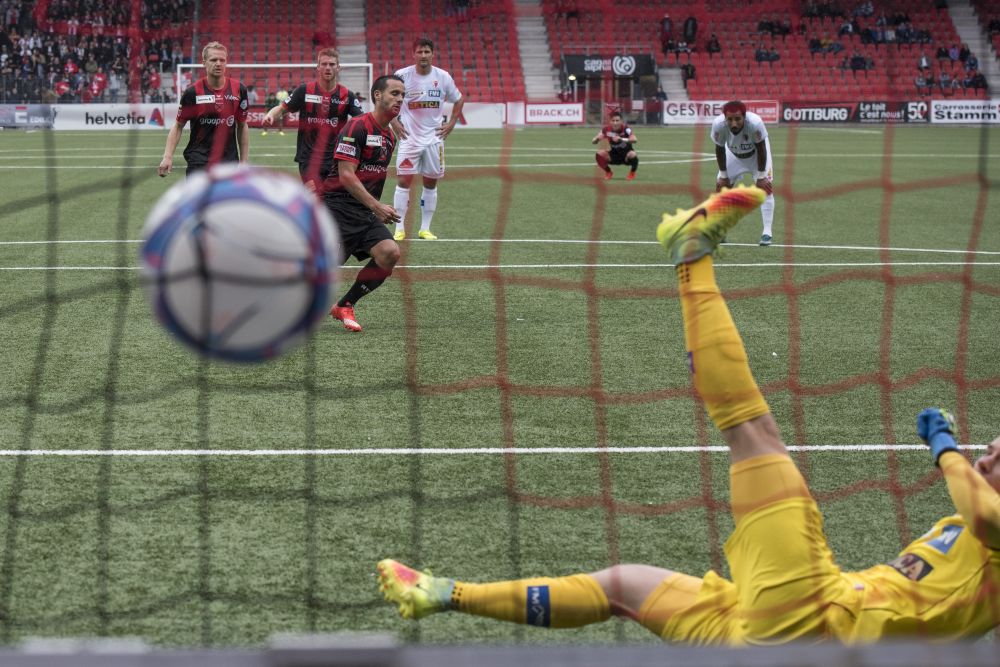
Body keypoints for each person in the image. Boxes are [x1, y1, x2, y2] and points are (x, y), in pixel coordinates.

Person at [377, 186, 1000, 644]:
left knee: (751, 430)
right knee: (621, 588)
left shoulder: (986, 519)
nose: (991, 452)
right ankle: (442, 594)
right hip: (774, 632)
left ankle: (691, 255)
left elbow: (984, 510)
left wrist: (945, 446)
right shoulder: (977, 537)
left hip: (811, 617)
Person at [323, 75, 405, 333]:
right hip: (336, 210)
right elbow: (346, 175)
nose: (400, 99)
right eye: (394, 93)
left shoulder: (389, 136)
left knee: (389, 253)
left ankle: (345, 305)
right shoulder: (356, 127)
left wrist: (374, 208)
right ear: (377, 95)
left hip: (364, 213)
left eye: (402, 95)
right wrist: (376, 206)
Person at [390, 37, 465, 241]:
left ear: (432, 54)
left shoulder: (443, 77)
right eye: (419, 52)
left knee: (431, 183)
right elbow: (386, 99)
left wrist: (450, 124)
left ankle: (425, 229)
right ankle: (399, 229)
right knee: (404, 181)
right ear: (413, 54)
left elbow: (459, 100)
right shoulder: (401, 76)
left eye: (427, 52)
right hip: (409, 140)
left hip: (434, 140)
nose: (423, 55)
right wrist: (394, 122)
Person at [263, 47, 364, 192]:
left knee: (332, 202)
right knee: (315, 197)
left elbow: (362, 121)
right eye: (324, 64)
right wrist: (270, 116)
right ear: (318, 67)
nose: (327, 68)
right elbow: (281, 109)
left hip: (336, 159)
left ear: (338, 68)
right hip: (308, 159)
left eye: (331, 64)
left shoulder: (347, 95)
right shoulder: (304, 90)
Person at [158, 41, 248, 178]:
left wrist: (243, 161)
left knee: (225, 200)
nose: (218, 63)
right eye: (213, 60)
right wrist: (167, 157)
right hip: (199, 161)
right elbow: (178, 126)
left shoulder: (239, 89)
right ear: (204, 63)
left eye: (222, 60)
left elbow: (242, 125)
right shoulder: (192, 92)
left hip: (229, 163)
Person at [711, 101, 775, 246]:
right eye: (730, 119)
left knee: (765, 188)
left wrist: (761, 176)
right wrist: (723, 175)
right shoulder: (718, 125)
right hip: (733, 155)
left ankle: (767, 232)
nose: (734, 123)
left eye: (738, 119)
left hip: (756, 155)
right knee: (721, 189)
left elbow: (761, 149)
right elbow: (719, 149)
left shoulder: (755, 123)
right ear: (724, 118)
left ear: (744, 117)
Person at [592, 110, 638, 181]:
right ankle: (608, 172)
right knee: (599, 154)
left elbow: (634, 139)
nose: (615, 123)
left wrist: (621, 139)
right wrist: (597, 139)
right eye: (613, 121)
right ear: (610, 122)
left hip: (626, 156)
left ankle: (632, 172)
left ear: (621, 121)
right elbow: (594, 141)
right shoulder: (606, 129)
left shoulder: (626, 129)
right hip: (614, 155)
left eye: (617, 120)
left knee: (633, 154)